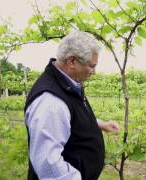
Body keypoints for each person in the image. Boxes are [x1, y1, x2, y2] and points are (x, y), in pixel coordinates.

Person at [24, 31, 120, 180]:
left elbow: (71, 119)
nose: (94, 72)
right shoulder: (50, 102)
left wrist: (101, 124)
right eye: (92, 66)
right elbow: (49, 165)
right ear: (72, 61)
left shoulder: (68, 84)